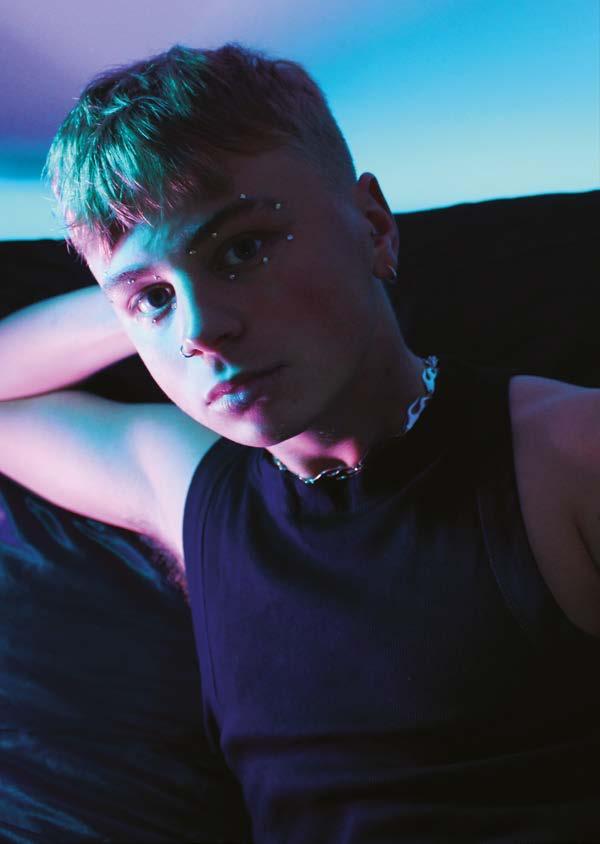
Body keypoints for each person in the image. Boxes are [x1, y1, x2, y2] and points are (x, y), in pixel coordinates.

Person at [2, 41, 600, 843]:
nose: (202, 330)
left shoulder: (568, 452)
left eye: (242, 248)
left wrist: (158, 284)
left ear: (374, 226)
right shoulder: (189, 488)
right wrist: (138, 296)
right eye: (155, 301)